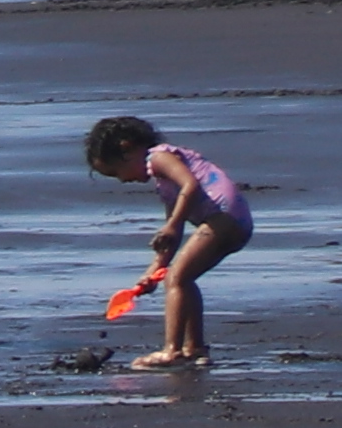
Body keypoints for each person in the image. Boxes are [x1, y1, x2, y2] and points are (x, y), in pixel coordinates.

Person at [85, 112, 249, 372]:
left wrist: (172, 225)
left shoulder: (159, 157)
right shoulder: (165, 185)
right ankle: (195, 348)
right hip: (233, 222)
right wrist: (153, 272)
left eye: (116, 171)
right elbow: (172, 234)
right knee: (183, 278)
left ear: (127, 148)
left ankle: (172, 350)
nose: (122, 180)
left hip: (223, 218)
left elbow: (191, 186)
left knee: (177, 279)